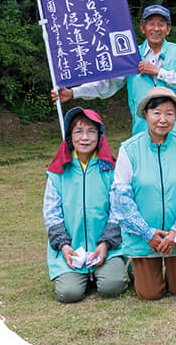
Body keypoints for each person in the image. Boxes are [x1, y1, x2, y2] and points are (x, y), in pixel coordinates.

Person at [110, 86, 176, 300]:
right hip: (144, 237)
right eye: (157, 113)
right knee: (149, 294)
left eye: (169, 114)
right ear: (146, 115)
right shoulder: (129, 149)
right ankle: (136, 266)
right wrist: (147, 233)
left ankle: (170, 262)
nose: (163, 119)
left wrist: (175, 232)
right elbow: (121, 198)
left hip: (175, 236)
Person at [53, 4, 176, 138]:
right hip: (143, 131)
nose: (156, 29)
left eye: (161, 24)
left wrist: (158, 71)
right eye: (151, 24)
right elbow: (107, 85)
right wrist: (73, 93)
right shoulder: (131, 55)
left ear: (168, 29)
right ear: (142, 28)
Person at [42, 107, 128, 302]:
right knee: (68, 294)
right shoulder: (58, 172)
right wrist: (64, 246)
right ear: (70, 136)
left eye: (91, 131)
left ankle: (115, 268)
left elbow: (118, 211)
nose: (85, 138)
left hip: (108, 248)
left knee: (112, 287)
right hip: (71, 250)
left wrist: (105, 244)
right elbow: (51, 214)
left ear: (100, 135)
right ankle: (80, 275)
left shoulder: (111, 170)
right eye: (78, 131)